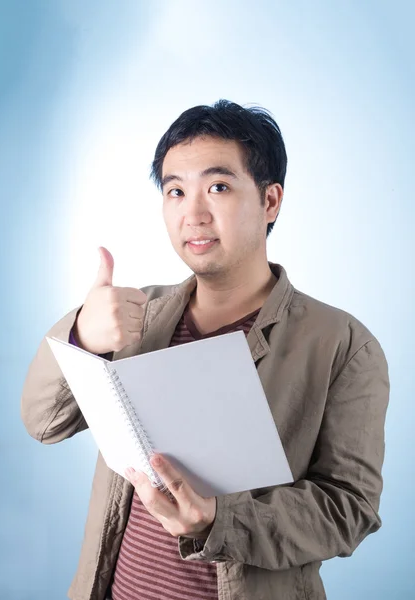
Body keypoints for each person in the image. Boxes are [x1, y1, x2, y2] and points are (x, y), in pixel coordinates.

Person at [21, 99, 390, 600]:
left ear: (270, 201)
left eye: (218, 187)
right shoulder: (134, 317)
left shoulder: (342, 345)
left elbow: (349, 510)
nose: (192, 213)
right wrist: (82, 334)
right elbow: (43, 422)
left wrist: (220, 519)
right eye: (175, 191)